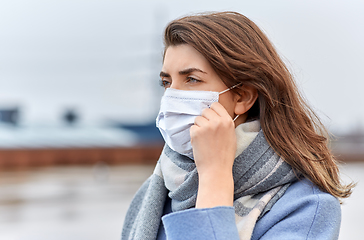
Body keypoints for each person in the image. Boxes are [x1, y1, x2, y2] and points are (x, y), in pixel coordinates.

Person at [121, 11, 354, 240]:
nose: (172, 96)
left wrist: (214, 176)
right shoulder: (157, 192)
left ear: (242, 97)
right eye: (166, 82)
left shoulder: (305, 208)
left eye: (191, 79)